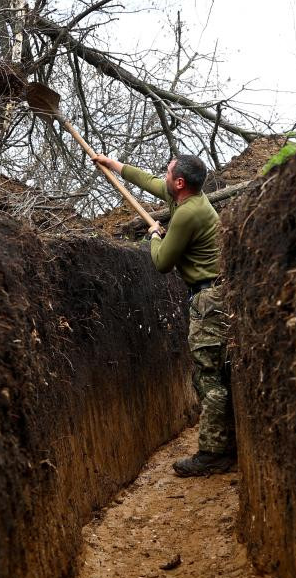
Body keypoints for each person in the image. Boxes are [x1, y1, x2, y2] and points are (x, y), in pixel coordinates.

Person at [92, 152, 235, 476]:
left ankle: (215, 453)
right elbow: (150, 182)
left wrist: (155, 237)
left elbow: (162, 263)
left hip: (208, 299)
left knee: (208, 377)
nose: (164, 176)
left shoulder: (188, 214)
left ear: (180, 183)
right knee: (211, 374)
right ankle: (225, 444)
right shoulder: (187, 199)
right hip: (210, 294)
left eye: (168, 173)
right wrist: (113, 165)